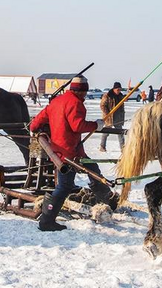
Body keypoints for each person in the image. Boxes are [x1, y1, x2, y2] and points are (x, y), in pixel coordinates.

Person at [29, 76, 112, 231]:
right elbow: (77, 125)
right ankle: (46, 221)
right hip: (70, 153)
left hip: (58, 150)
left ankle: (103, 198)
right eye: (85, 93)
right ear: (81, 91)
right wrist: (96, 125)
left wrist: (35, 130)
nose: (85, 96)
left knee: (92, 169)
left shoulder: (57, 101)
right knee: (65, 186)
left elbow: (35, 124)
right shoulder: (75, 103)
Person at [99, 81, 126, 152]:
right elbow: (102, 105)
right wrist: (108, 114)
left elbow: (124, 100)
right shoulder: (107, 95)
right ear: (114, 89)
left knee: (120, 133)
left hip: (118, 117)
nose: (119, 91)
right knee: (106, 133)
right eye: (118, 90)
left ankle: (123, 148)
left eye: (120, 89)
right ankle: (102, 146)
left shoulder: (120, 95)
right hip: (109, 118)